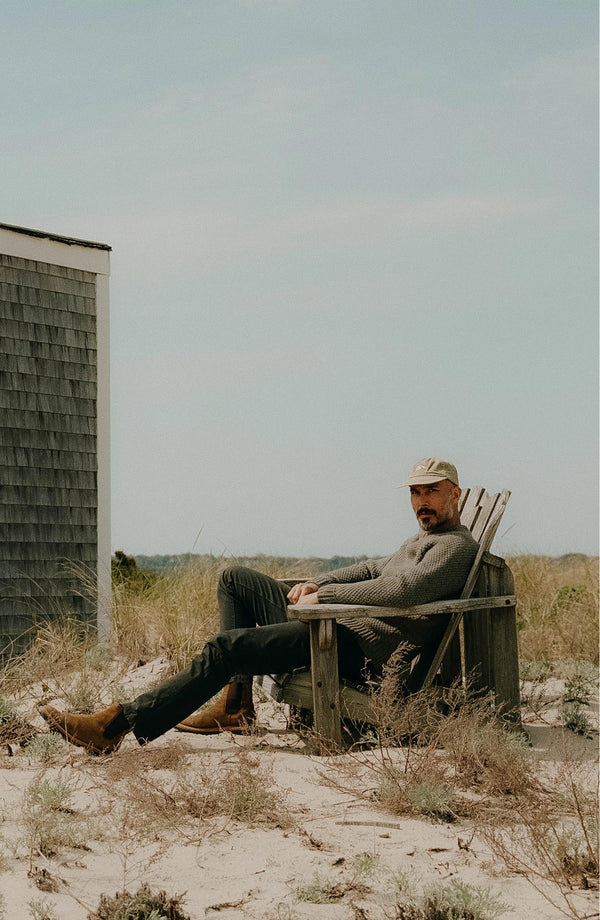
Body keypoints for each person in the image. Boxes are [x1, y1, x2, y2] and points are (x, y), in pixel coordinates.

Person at [39, 457, 478, 754]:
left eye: (431, 492)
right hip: (333, 626)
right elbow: (370, 569)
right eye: (415, 493)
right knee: (235, 579)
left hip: (354, 649)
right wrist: (316, 580)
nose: (421, 501)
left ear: (454, 494)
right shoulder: (420, 540)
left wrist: (326, 597)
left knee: (228, 648)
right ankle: (236, 705)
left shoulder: (453, 549)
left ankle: (112, 727)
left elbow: (402, 592)